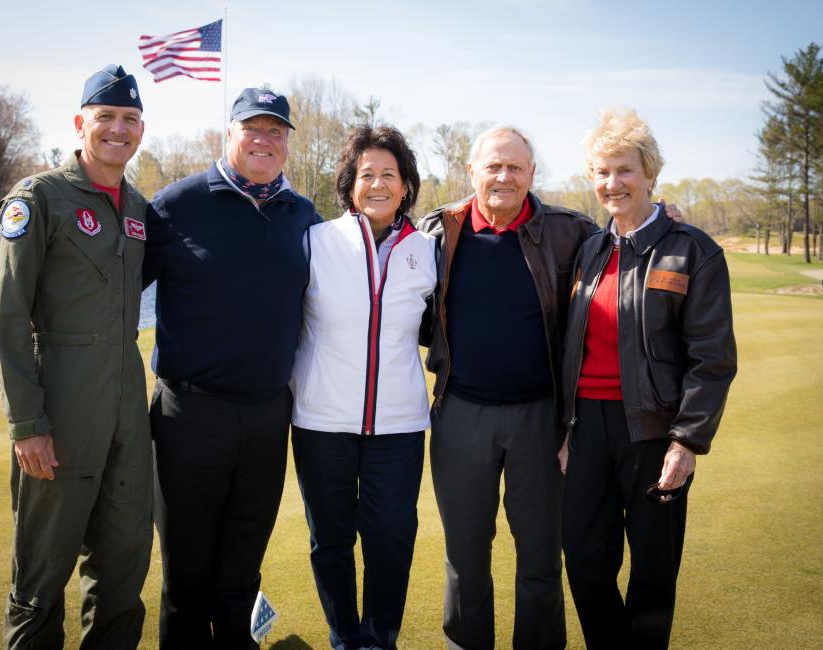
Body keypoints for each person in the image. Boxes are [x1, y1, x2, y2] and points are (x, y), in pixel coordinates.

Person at [143, 87, 322, 648]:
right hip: (189, 415)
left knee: (243, 566)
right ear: (230, 132)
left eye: (276, 131)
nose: (264, 140)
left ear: (288, 142)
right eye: (254, 128)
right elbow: (112, 295)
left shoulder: (303, 214)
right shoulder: (176, 205)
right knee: (188, 575)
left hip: (269, 417)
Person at [560, 108, 736, 649]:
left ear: (649, 173)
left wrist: (686, 442)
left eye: (625, 170)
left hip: (655, 434)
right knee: (587, 564)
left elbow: (711, 358)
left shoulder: (693, 252)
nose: (613, 183)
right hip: (586, 429)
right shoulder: (587, 250)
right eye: (602, 172)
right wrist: (566, 429)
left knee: (653, 575)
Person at [0, 64, 152, 648]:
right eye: (105, 116)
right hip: (62, 406)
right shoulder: (39, 199)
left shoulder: (138, 208)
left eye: (130, 119)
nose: (118, 128)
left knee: (124, 569)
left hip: (127, 411)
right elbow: (7, 320)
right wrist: (27, 423)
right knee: (41, 577)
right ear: (80, 123)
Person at [417, 126, 597, 649]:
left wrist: (664, 217)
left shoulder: (571, 232)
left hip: (540, 418)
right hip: (460, 416)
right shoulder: (438, 232)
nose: (503, 176)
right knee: (465, 556)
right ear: (471, 172)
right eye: (493, 166)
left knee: (541, 556)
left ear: (532, 175)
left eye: (515, 167)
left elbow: (624, 245)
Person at [290, 124, 437, 650]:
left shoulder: (428, 250)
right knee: (330, 541)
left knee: (391, 541)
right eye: (366, 174)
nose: (378, 184)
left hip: (398, 428)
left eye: (389, 175)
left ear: (406, 186)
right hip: (320, 423)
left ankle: (379, 637)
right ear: (349, 184)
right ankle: (343, 636)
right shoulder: (314, 241)